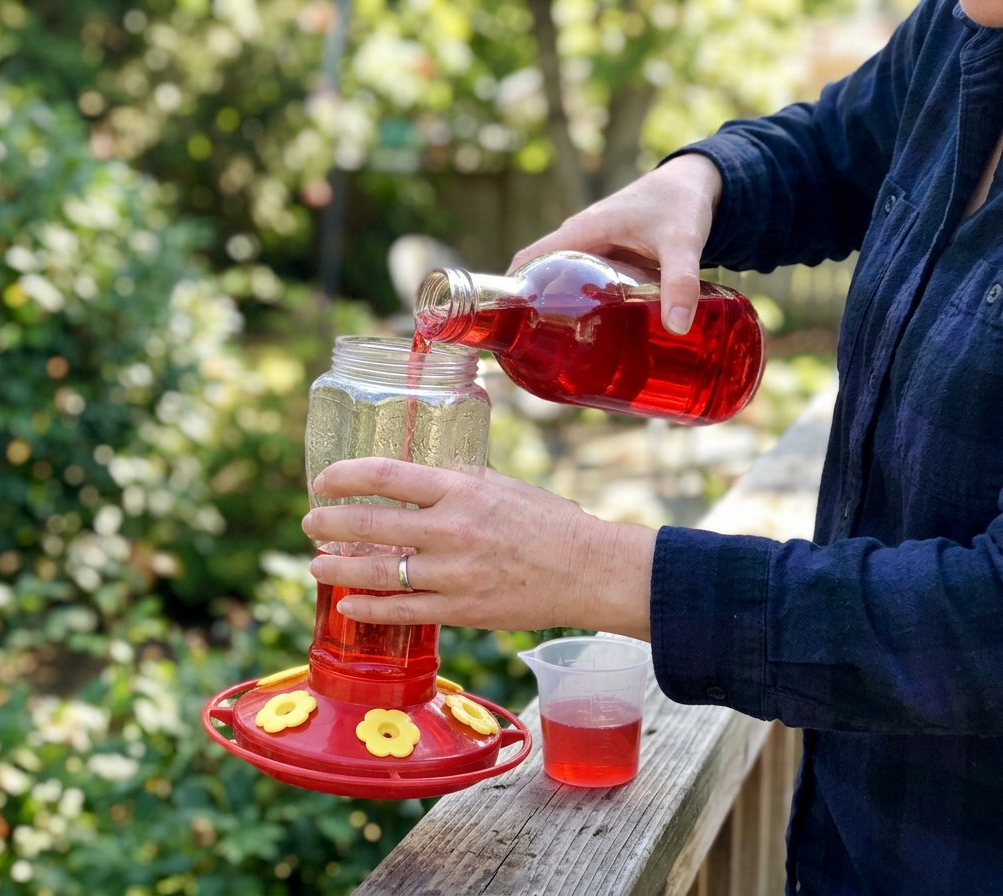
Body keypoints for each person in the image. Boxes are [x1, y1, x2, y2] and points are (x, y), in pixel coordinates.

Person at [301, 0, 1003, 892]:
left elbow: (985, 626)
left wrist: (597, 568)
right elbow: (831, 149)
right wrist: (701, 179)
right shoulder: (963, 27)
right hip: (849, 838)